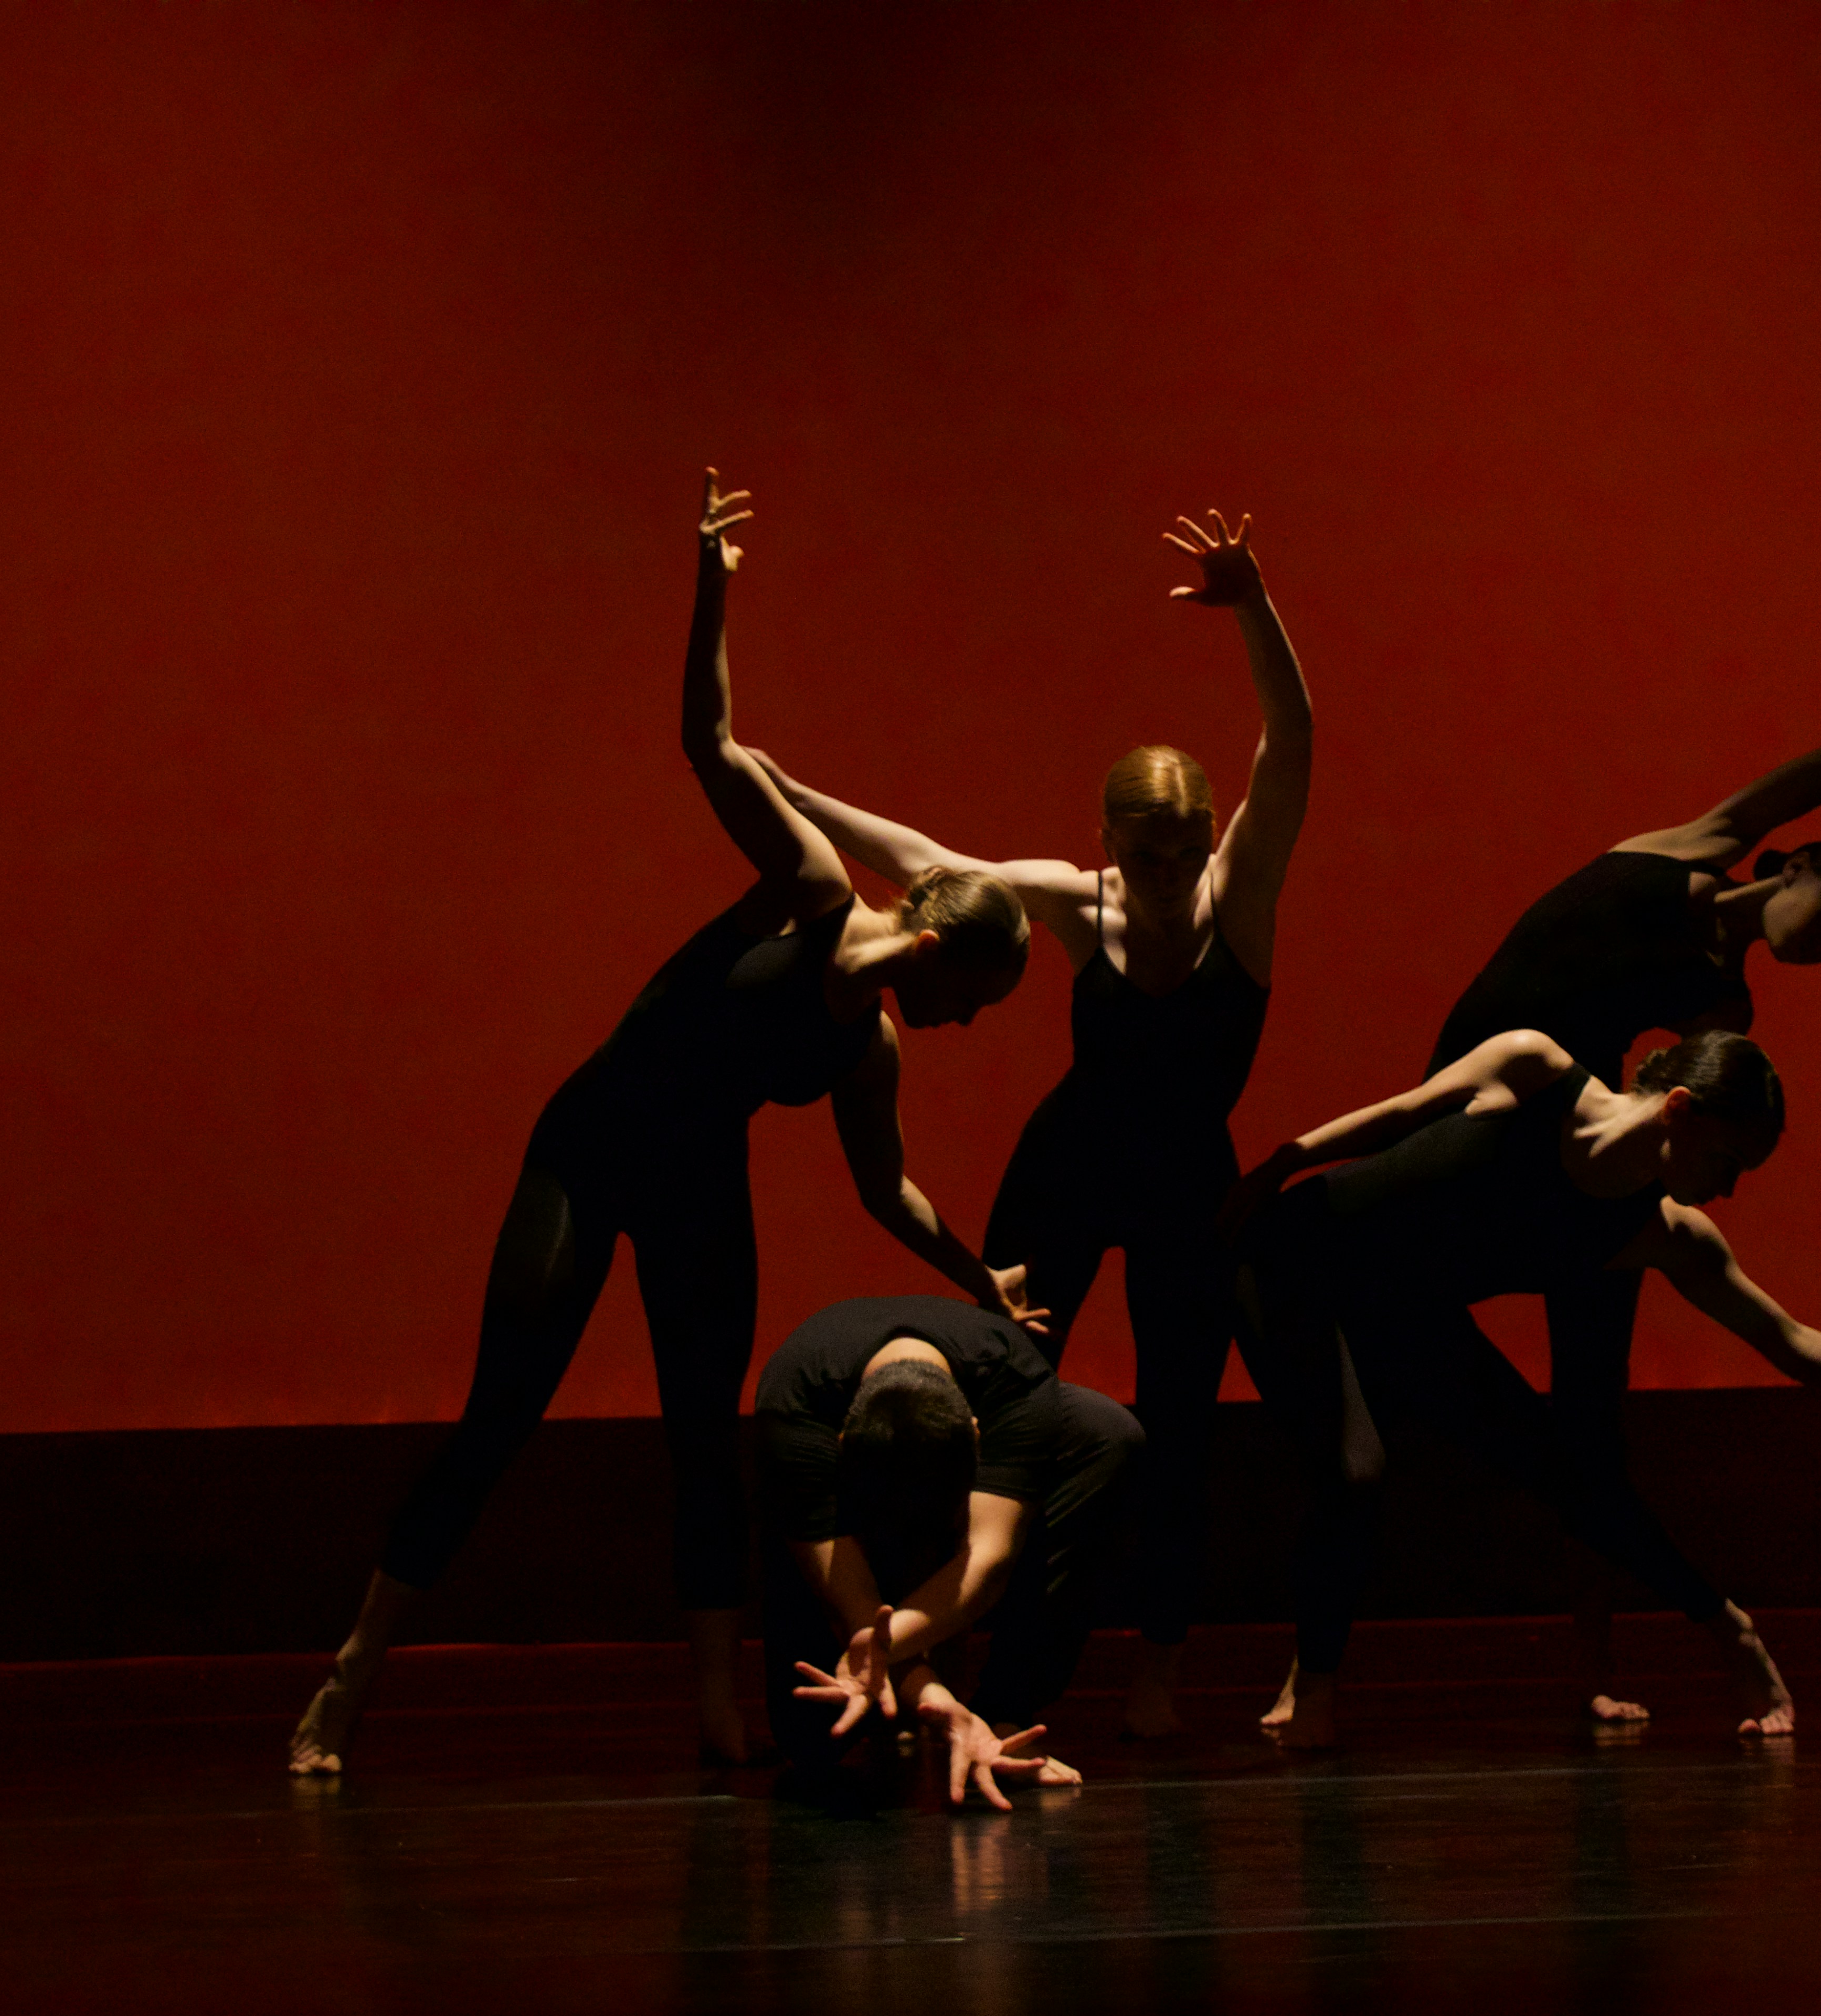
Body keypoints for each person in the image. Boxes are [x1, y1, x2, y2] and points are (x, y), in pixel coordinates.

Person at [288, 475, 1040, 1777]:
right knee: (501, 1415)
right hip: (590, 1146)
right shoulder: (805, 891)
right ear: (929, 942)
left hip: (698, 1177)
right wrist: (711, 589)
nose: (966, 1026)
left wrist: (978, 1273)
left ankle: (713, 1708)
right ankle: (346, 1683)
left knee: (707, 1440)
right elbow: (710, 742)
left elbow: (886, 1190)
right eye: (971, 1000)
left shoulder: (869, 1042)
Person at [759, 509, 1312, 1739]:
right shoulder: (1081, 904)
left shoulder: (1244, 902)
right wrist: (791, 793)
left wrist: (1253, 608)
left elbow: (1293, 746)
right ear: (1107, 843)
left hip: (1187, 1187)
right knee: (998, 1387)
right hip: (1069, 1166)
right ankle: (943, 1641)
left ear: (1211, 838)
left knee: (1176, 1426)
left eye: (1187, 851)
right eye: (1147, 854)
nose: (1170, 876)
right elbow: (928, 860)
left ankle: (1156, 1667)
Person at [1431, 721, 1821, 1723]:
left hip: (1568, 1149)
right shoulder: (1696, 847)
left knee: (1592, 1415)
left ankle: (1597, 1665)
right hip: (1465, 1102)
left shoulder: (1725, 1012)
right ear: (1794, 864)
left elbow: (1678, 1114)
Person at [1223, 1026, 1821, 1749]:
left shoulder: (1664, 1234)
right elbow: (1400, 1114)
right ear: (1680, 1109)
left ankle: (1731, 1630)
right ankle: (1314, 1697)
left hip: (1401, 1310)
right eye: (1728, 1162)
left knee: (1567, 1473)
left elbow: (1790, 1342)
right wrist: (1274, 1168)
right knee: (1355, 1472)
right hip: (1290, 1261)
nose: (1729, 1189)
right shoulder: (1534, 1068)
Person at [756, 1295, 1141, 1809]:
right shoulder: (794, 1407)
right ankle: (892, 1710)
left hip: (967, 1461)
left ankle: (1008, 1709)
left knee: (1107, 1433)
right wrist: (937, 1699)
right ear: (843, 1444)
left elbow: (987, 1563)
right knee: (813, 1739)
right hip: (847, 1517)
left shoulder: (1015, 1381)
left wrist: (894, 1663)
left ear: (978, 1438)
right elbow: (850, 1602)